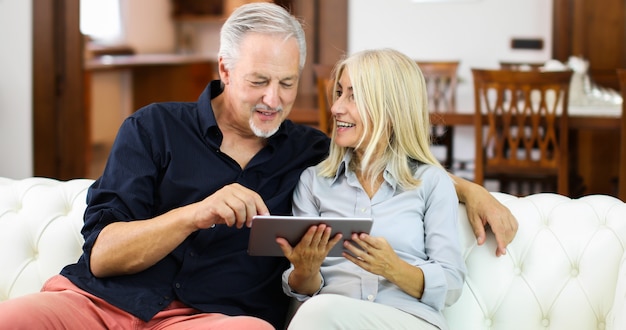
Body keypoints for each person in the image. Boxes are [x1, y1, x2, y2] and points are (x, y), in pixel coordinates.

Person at [0, 3, 516, 329]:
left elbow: (387, 155)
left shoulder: (311, 155)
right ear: (224, 70)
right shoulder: (153, 128)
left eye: (287, 84)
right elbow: (103, 257)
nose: (274, 99)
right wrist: (193, 214)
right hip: (100, 303)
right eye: (258, 82)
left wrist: (471, 190)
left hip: (214, 320)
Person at [278, 49, 466, 330]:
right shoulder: (313, 183)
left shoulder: (432, 183)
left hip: (408, 321)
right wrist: (305, 271)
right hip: (329, 320)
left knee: (318, 312)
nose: (336, 108)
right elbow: (304, 290)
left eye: (353, 96)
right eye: (339, 93)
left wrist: (394, 268)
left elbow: (451, 285)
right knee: (318, 310)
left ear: (390, 109)